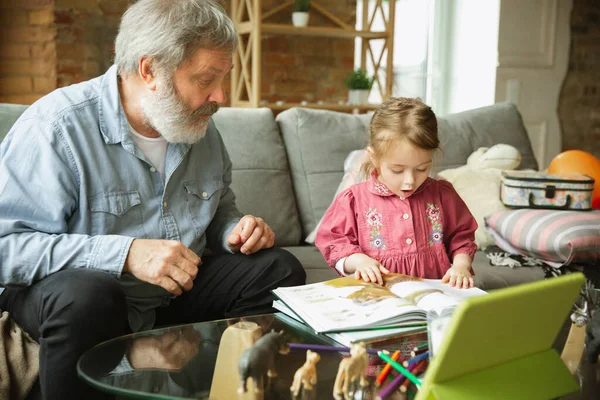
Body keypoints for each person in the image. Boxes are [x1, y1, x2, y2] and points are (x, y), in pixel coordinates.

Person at [0, 0, 305, 398]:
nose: (220, 95)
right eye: (206, 78)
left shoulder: (200, 128)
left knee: (279, 269)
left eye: (224, 77)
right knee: (87, 296)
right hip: (84, 301)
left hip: (168, 295)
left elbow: (218, 209)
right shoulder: (56, 127)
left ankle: (224, 388)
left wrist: (235, 231)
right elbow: (7, 247)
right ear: (149, 71)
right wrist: (125, 254)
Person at [315, 97, 477, 288]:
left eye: (422, 169)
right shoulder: (353, 200)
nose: (410, 180)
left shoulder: (442, 195)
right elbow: (333, 242)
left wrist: (461, 266)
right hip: (377, 297)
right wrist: (358, 261)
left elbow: (461, 236)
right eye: (397, 170)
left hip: (434, 294)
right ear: (374, 157)